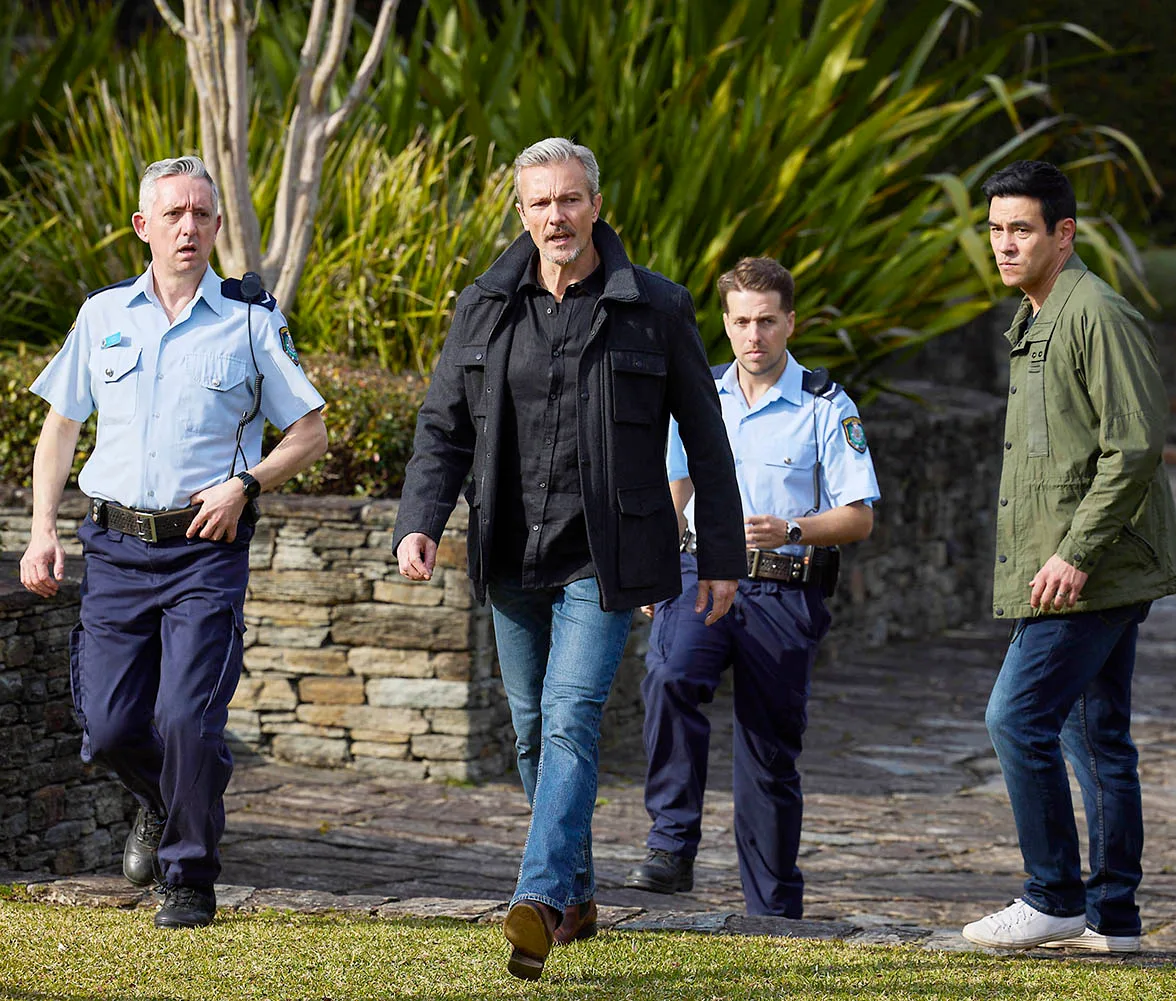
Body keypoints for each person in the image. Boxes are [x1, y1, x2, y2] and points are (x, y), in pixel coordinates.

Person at [392, 137, 744, 979]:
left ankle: (541, 898)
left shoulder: (655, 306)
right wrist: (420, 519)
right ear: (522, 212)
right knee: (529, 728)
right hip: (510, 549)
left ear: (596, 205)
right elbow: (443, 427)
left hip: (606, 554)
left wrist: (722, 554)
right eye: (541, 202)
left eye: (572, 199)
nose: (558, 215)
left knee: (571, 715)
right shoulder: (483, 305)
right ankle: (581, 893)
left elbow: (706, 436)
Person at [19, 156, 327, 929]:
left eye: (203, 214)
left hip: (203, 549)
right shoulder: (102, 317)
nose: (189, 227)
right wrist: (42, 529)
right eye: (175, 214)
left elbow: (310, 433)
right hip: (115, 546)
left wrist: (246, 485)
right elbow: (61, 425)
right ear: (143, 226)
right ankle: (163, 800)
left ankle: (188, 875)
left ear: (218, 226)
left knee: (188, 718)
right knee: (111, 727)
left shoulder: (252, 320)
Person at [961, 160, 1176, 953]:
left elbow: (1133, 447)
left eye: (1020, 228)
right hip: (1084, 568)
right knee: (1097, 739)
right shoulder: (1036, 315)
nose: (1004, 244)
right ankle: (1114, 919)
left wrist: (1075, 553)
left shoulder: (1097, 312)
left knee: (1015, 717)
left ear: (1065, 233)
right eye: (994, 229)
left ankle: (1052, 893)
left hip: (1096, 571)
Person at [622, 257, 879, 918]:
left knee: (768, 753)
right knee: (672, 676)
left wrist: (793, 526)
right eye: (741, 321)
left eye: (767, 321)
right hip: (700, 575)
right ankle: (670, 844)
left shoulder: (826, 404)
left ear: (790, 321)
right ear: (726, 324)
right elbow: (674, 486)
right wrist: (653, 561)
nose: (754, 335)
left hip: (784, 592)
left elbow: (859, 515)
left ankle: (773, 911)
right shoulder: (698, 393)